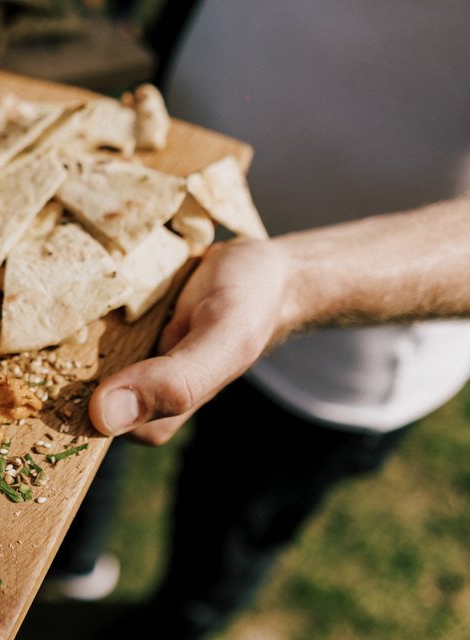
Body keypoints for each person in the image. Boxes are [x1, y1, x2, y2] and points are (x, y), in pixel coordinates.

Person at [50, 0, 470, 636]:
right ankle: (71, 572)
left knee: (218, 547)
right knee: (82, 436)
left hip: (335, 365)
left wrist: (301, 282)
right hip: (137, 236)